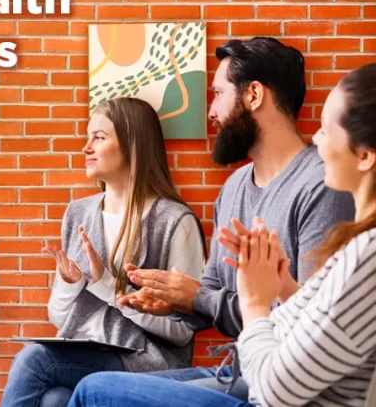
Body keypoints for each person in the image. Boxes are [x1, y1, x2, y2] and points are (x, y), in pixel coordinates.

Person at [67, 62, 376, 407]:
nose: (315, 140)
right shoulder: (234, 189)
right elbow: (308, 324)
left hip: (265, 388)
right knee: (55, 396)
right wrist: (276, 287)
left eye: (326, 129)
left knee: (92, 390)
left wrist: (253, 300)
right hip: (248, 371)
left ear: (364, 156)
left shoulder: (359, 248)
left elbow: (277, 390)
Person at [0, 97, 207, 407]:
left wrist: (109, 287)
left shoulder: (175, 221)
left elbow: (181, 331)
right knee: (55, 400)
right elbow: (59, 318)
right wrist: (69, 285)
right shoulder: (78, 214)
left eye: (99, 137)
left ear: (132, 145)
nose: (86, 148)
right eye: (88, 137)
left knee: (35, 360)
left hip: (146, 361)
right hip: (84, 353)